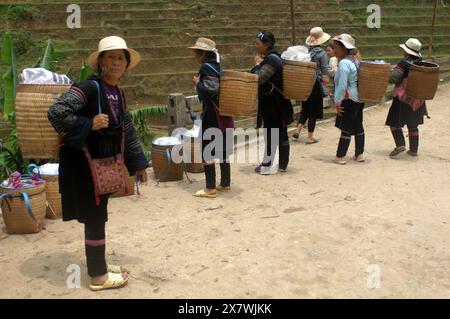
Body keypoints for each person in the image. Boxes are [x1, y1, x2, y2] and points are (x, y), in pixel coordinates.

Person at [48, 36, 149, 291]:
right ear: (100, 61)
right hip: (84, 167)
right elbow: (57, 111)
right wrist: (89, 124)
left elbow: (126, 127)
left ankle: (99, 265)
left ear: (126, 65)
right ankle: (98, 277)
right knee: (95, 217)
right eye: (111, 57)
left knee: (98, 215)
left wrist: (138, 163)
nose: (116, 63)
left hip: (102, 166)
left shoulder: (117, 92)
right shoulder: (90, 88)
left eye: (121, 58)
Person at [190, 38, 234, 198]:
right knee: (223, 151)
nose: (196, 56)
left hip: (213, 114)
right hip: (225, 113)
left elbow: (210, 90)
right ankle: (225, 184)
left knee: (206, 149)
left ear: (202, 54)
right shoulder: (219, 67)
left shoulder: (205, 67)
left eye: (197, 53)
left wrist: (197, 83)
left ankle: (210, 188)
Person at [251, 31, 294, 175]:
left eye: (258, 43)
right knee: (280, 133)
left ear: (267, 44)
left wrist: (257, 65)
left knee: (271, 134)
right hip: (278, 104)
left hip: (274, 105)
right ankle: (282, 165)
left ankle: (267, 166)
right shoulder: (274, 58)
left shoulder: (271, 60)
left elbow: (259, 78)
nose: (256, 46)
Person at [386, 38, 429, 157]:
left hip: (402, 98)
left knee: (393, 121)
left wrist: (389, 72)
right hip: (418, 98)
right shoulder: (421, 63)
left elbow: (393, 78)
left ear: (407, 52)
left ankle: (400, 144)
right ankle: (414, 150)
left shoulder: (404, 63)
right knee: (413, 124)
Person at [293, 27, 331, 144]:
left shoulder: (306, 52)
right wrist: (329, 77)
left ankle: (298, 130)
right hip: (316, 84)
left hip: (305, 82)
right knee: (313, 111)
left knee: (306, 108)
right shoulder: (322, 54)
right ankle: (310, 137)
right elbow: (325, 70)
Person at [332, 34, 366, 165]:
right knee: (358, 125)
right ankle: (359, 154)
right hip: (358, 98)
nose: (334, 50)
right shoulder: (355, 60)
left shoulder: (344, 63)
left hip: (348, 98)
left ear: (344, 49)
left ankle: (340, 156)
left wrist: (337, 102)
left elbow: (342, 85)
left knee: (345, 127)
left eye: (336, 48)